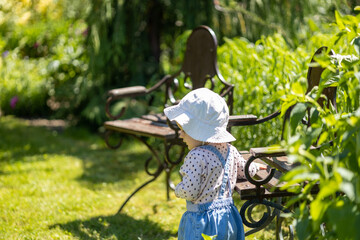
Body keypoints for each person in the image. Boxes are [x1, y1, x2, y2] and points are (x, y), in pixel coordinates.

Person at [164, 88, 263, 240]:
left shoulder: (196, 156)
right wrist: (256, 167)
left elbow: (190, 191)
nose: (180, 134)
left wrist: (178, 189)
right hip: (229, 218)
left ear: (200, 131)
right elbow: (244, 170)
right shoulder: (229, 149)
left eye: (184, 129)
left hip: (203, 223)